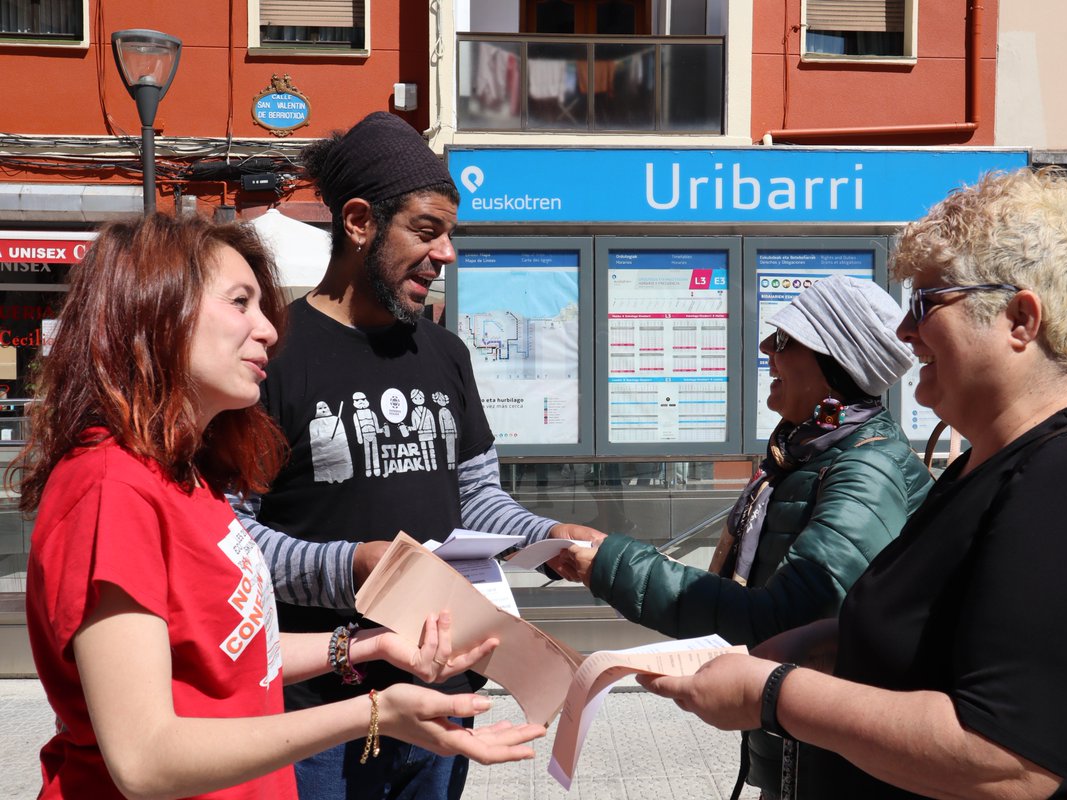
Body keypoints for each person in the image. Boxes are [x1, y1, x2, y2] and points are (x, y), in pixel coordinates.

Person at [639, 168, 1067, 798]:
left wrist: (772, 696)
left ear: (1021, 319)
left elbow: (1001, 759)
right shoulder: (991, 463)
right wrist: (807, 644)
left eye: (927, 304)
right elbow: (937, 634)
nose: (905, 333)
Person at [20, 214, 544, 800]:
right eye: (240, 302)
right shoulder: (109, 487)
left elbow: (234, 653)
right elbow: (144, 759)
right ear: (155, 311)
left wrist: (366, 645)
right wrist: (374, 711)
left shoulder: (184, 477)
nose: (268, 330)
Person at [231, 111, 600, 800]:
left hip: (442, 700)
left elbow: (477, 499)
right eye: (427, 232)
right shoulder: (271, 354)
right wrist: (357, 567)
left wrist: (547, 537)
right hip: (317, 714)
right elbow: (232, 537)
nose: (447, 254)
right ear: (360, 222)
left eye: (450, 235)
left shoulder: (445, 352)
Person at [553, 275, 933, 797]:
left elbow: (784, 619)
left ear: (833, 365)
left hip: (833, 767)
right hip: (797, 752)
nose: (765, 351)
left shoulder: (866, 472)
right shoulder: (804, 452)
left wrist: (610, 566)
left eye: (783, 340)